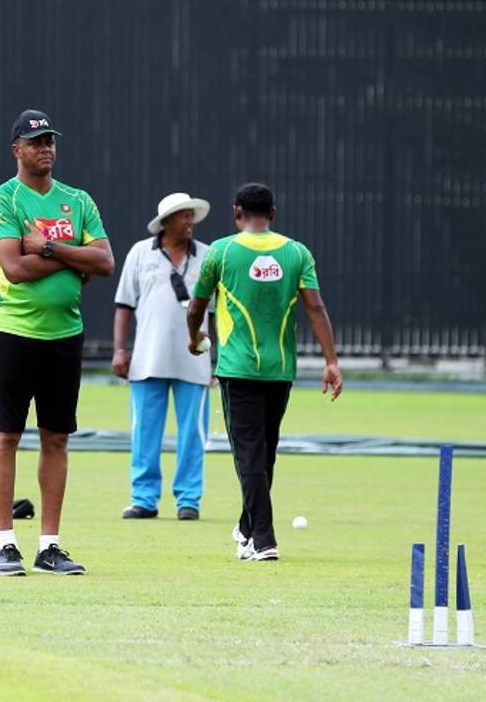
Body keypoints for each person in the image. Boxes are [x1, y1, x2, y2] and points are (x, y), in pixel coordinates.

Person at [0, 109, 114, 576]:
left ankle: (50, 547)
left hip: (65, 335)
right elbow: (14, 269)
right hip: (14, 332)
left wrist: (51, 248)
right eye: (36, 142)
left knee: (56, 437)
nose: (46, 149)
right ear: (16, 149)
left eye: (50, 141)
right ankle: (5, 545)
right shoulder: (2, 200)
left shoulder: (77, 201)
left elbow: (105, 262)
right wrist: (76, 259)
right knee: (7, 435)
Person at [186, 183, 342, 561]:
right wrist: (331, 361)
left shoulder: (220, 252)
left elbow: (196, 307)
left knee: (250, 455)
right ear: (273, 213)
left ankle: (264, 540)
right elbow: (316, 309)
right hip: (280, 369)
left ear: (236, 211)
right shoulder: (296, 253)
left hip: (238, 369)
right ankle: (247, 527)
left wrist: (194, 337)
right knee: (264, 452)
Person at [113, 192, 215, 521]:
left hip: (194, 360)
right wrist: (119, 351)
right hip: (148, 358)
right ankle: (143, 498)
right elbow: (124, 305)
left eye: (190, 215)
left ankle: (189, 499)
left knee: (192, 435)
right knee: (144, 431)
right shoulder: (141, 253)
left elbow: (218, 313)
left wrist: (220, 358)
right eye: (183, 216)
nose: (189, 221)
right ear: (166, 221)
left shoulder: (209, 256)